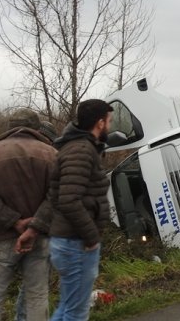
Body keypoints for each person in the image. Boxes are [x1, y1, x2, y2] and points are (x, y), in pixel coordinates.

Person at [0, 108, 57, 321]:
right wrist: (34, 226)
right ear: (36, 128)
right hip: (38, 238)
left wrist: (14, 222)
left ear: (10, 126)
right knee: (37, 298)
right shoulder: (51, 154)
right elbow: (55, 197)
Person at [45, 99, 113, 321]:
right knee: (76, 312)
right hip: (76, 243)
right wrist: (91, 236)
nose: (110, 127)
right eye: (109, 121)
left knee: (68, 306)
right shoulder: (81, 151)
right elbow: (69, 200)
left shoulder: (81, 148)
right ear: (100, 123)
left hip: (70, 241)